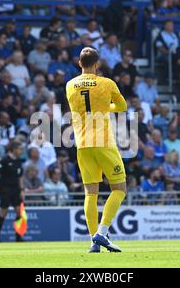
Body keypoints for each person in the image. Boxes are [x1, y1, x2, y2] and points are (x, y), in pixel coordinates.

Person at [66, 47, 127, 253]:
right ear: (97, 64)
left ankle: (93, 242)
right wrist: (106, 108)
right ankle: (102, 232)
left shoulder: (70, 85)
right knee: (119, 189)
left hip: (82, 144)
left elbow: (80, 108)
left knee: (90, 194)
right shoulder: (107, 83)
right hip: (104, 142)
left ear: (79, 63)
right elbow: (122, 107)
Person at [0, 140, 25, 243]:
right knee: (3, 212)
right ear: (14, 149)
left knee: (19, 212)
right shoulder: (4, 160)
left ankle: (18, 237)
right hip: (5, 189)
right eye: (19, 149)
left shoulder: (19, 161)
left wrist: (22, 190)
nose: (21, 151)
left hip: (15, 189)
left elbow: (20, 177)